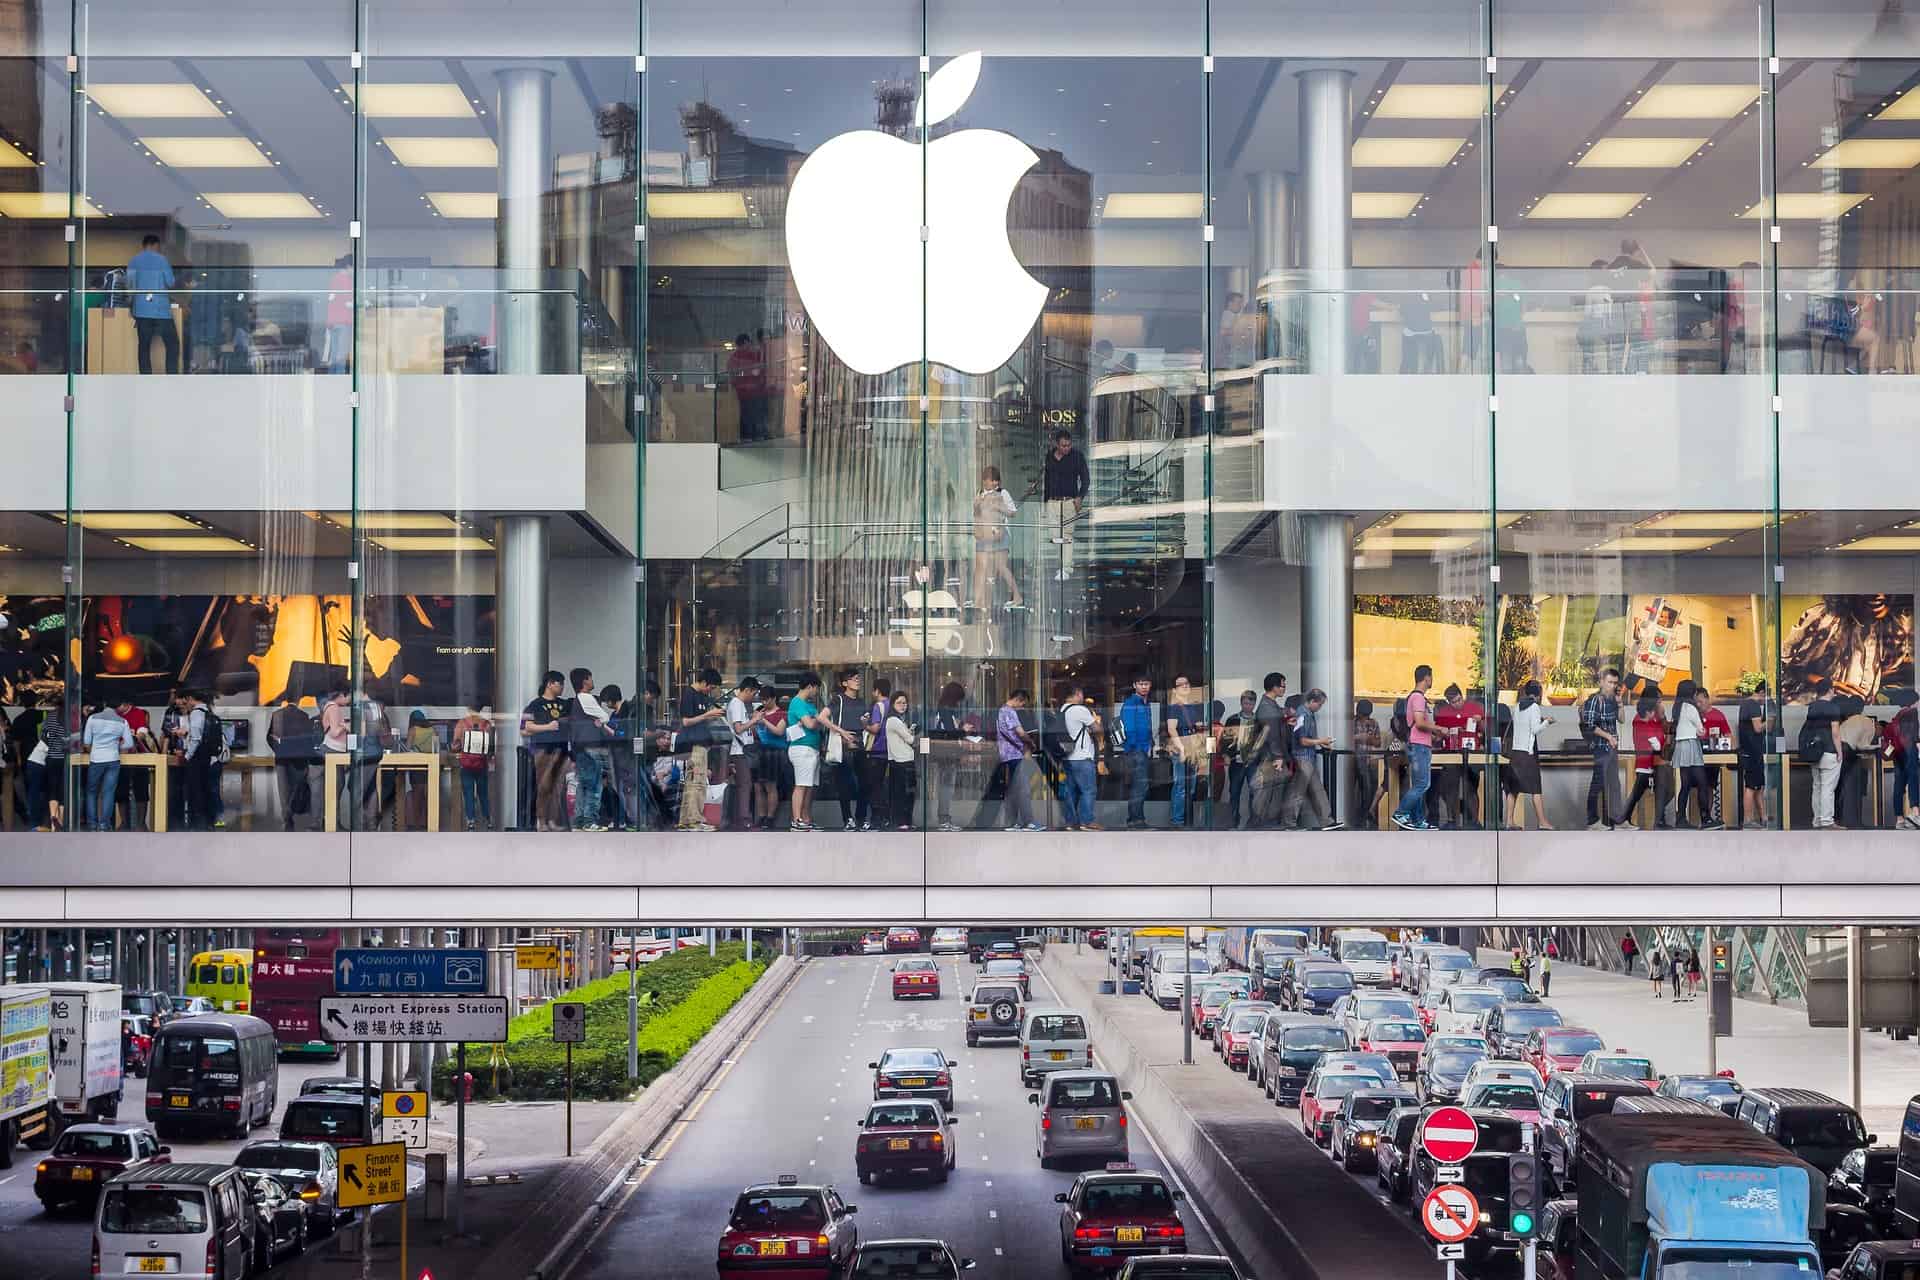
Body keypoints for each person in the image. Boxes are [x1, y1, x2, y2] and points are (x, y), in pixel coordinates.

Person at [1281, 688, 1341, 830]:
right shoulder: (1303, 715)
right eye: (1319, 704)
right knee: (1298, 792)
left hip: (1308, 757)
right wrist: (1321, 741)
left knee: (1318, 791)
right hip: (1303, 758)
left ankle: (1327, 821)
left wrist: (1320, 743)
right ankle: (1289, 823)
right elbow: (1302, 740)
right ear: (1312, 701)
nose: (1320, 707)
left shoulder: (1307, 714)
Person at [675, 668, 724, 833]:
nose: (710, 690)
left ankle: (687, 820)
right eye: (710, 687)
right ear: (703, 682)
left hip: (701, 743)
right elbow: (686, 721)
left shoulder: (702, 696)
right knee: (696, 782)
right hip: (693, 744)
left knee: (695, 782)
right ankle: (693, 820)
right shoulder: (689, 694)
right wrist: (707, 715)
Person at [521, 671, 571, 832]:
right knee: (544, 785)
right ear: (549, 684)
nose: (562, 687)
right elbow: (525, 728)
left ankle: (552, 820)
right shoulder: (534, 705)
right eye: (560, 683)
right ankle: (541, 820)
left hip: (562, 750)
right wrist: (548, 727)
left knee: (558, 787)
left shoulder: (565, 704)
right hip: (542, 750)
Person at [1391, 665, 1438, 832]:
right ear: (1426, 678)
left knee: (1419, 784)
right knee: (1423, 784)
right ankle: (1400, 812)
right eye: (1431, 677)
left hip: (1419, 744)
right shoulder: (1418, 697)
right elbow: (1419, 722)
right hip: (1419, 746)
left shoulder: (1414, 697)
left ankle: (1418, 820)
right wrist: (1438, 728)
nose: (1432, 680)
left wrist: (1433, 735)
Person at [968, 467, 1022, 611]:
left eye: (994, 480)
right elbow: (976, 515)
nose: (991, 483)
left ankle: (1017, 596)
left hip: (999, 534)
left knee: (1001, 567)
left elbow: (1012, 512)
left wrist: (998, 506)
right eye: (989, 480)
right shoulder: (979, 493)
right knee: (980, 568)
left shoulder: (1002, 493)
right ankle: (978, 601)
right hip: (983, 535)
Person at [1039, 429, 1089, 582]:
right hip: (1052, 501)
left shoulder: (1077, 456)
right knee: (1054, 535)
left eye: (1068, 445)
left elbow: (1086, 479)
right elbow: (1046, 479)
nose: (1066, 448)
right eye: (1063, 445)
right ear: (1057, 444)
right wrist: (1045, 501)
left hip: (1069, 501)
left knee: (1067, 535)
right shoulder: (1049, 456)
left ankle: (1066, 568)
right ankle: (1063, 563)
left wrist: (1080, 497)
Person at [785, 673, 832, 832]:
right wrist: (819, 719)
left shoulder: (809, 705)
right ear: (810, 686)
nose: (817, 692)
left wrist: (817, 720)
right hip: (802, 748)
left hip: (812, 749)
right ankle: (796, 820)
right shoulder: (797, 702)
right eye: (816, 688)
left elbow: (817, 722)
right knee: (801, 785)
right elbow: (811, 724)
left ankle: (806, 819)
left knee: (810, 787)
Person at [1619, 693, 1672, 829]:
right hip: (1645, 766)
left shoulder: (1646, 722)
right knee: (1636, 795)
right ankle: (1622, 819)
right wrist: (1663, 742)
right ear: (1648, 711)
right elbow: (1657, 745)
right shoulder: (1642, 723)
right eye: (1653, 711)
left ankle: (1624, 819)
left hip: (1648, 765)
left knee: (1640, 794)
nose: (1654, 713)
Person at [128, 234, 179, 375]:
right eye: (158, 246)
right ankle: (172, 377)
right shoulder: (162, 260)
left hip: (141, 311)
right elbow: (170, 282)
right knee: (172, 344)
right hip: (161, 311)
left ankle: (146, 379)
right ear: (155, 245)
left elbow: (130, 286)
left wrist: (131, 307)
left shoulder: (133, 261)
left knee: (144, 347)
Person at [570, 667, 613, 832]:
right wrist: (599, 720)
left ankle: (579, 821)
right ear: (585, 681)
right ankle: (589, 821)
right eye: (590, 678)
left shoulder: (577, 701)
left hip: (580, 747)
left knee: (584, 785)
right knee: (594, 785)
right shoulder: (586, 698)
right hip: (591, 747)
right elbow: (605, 717)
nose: (592, 681)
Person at [267, 695, 318, 832]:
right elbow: (307, 740)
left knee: (283, 791)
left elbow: (269, 738)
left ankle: (287, 820)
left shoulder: (276, 715)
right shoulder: (304, 716)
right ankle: (296, 815)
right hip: (299, 760)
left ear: (286, 700)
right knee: (295, 789)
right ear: (299, 701)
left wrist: (279, 749)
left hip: (281, 758)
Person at [1581, 668, 1624, 831]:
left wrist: (1620, 703)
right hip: (1600, 748)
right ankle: (1592, 820)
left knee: (1614, 784)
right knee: (1597, 784)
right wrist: (1608, 737)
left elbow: (1622, 719)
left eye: (1615, 683)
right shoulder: (1595, 700)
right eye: (1609, 682)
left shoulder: (1613, 700)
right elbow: (1590, 725)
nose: (1612, 686)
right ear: (1601, 682)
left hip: (1612, 748)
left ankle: (1617, 819)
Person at [828, 669, 871, 831]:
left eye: (858, 678)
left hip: (859, 743)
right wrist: (842, 732)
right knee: (844, 784)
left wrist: (865, 722)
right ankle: (848, 819)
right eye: (853, 679)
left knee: (865, 783)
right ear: (844, 683)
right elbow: (822, 717)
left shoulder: (861, 701)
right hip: (843, 745)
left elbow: (865, 725)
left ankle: (861, 818)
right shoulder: (838, 699)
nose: (857, 681)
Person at [995, 690, 1044, 832]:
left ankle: (1011, 823)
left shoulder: (1001, 711)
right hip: (1015, 754)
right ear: (1018, 699)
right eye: (1022, 703)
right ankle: (1029, 822)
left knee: (1013, 790)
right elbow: (1020, 732)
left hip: (1006, 755)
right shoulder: (1009, 711)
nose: (1022, 706)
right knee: (1023, 789)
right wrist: (1031, 742)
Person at [80, 700, 133, 831]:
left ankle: (92, 824)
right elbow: (129, 744)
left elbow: (86, 741)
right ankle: (104, 824)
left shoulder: (92, 718)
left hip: (96, 758)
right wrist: (117, 745)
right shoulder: (122, 721)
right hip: (113, 759)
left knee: (91, 792)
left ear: (104, 704)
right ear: (118, 706)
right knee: (108, 792)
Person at [1671, 685, 1719, 830]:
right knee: (1702, 783)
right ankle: (1705, 819)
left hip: (1681, 745)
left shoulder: (1678, 708)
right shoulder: (1691, 708)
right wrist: (1702, 730)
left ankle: (1680, 819)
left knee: (1685, 785)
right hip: (1691, 744)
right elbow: (1700, 730)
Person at [1506, 681, 1552, 830]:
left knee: (1513, 788)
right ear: (1538, 694)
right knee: (1536, 788)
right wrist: (1547, 722)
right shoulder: (1534, 707)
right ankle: (1542, 822)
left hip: (1515, 753)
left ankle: (1509, 821)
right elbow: (1535, 730)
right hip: (1528, 753)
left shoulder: (1517, 706)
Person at [724, 676, 764, 833]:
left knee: (743, 784)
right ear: (747, 690)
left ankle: (740, 819)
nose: (753, 697)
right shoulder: (737, 704)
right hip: (740, 751)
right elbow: (739, 729)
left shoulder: (738, 704)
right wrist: (754, 720)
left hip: (742, 750)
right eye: (753, 693)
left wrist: (753, 720)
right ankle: (744, 820)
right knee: (745, 785)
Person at [176, 690, 219, 832]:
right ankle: (208, 824)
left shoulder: (196, 713)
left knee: (195, 792)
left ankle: (197, 825)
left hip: (197, 758)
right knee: (206, 790)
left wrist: (187, 756)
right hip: (207, 757)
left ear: (190, 699)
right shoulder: (209, 713)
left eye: (185, 700)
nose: (184, 704)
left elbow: (196, 738)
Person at [1164, 674, 1203, 828]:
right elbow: (1171, 729)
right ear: (1174, 690)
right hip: (1181, 747)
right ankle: (1178, 821)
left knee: (1190, 787)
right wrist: (1180, 748)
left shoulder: (1192, 707)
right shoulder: (1174, 707)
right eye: (1180, 684)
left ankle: (1186, 819)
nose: (1185, 686)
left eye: (1186, 683)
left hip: (1193, 748)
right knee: (1180, 785)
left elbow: (1197, 728)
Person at [1060, 683, 1100, 832]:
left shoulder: (1062, 709)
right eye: (1081, 694)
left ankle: (1070, 822)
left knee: (1070, 791)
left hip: (1067, 757)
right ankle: (1086, 821)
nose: (1082, 697)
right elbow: (1097, 729)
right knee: (1088, 790)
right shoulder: (1079, 709)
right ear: (1077, 693)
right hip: (1082, 756)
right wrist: (1096, 721)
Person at [1117, 674, 1155, 830]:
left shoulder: (1146, 704)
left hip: (1143, 750)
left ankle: (1135, 819)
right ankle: (1136, 820)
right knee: (1140, 786)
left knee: (1140, 786)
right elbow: (1129, 728)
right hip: (1136, 750)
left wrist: (1150, 745)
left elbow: (1148, 727)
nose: (1144, 687)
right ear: (1134, 685)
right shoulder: (1131, 703)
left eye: (1146, 684)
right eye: (1141, 684)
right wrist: (1134, 748)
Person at [930, 682, 968, 833]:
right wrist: (963, 730)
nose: (959, 703)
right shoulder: (946, 711)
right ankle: (944, 819)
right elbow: (950, 733)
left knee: (946, 787)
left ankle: (944, 818)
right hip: (947, 754)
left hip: (945, 753)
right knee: (946, 787)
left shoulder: (942, 709)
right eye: (958, 699)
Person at [448, 702, 493, 831]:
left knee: (468, 793)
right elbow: (490, 745)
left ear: (468, 709)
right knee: (483, 793)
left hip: (466, 764)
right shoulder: (487, 724)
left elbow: (455, 746)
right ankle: (488, 820)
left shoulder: (462, 723)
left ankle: (471, 821)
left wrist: (456, 747)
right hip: (482, 764)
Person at [1801, 694, 1841, 830]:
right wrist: (1840, 751)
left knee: (1817, 786)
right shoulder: (1833, 708)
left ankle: (1817, 820)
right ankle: (1826, 820)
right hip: (1829, 751)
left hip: (1815, 752)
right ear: (1830, 690)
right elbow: (1835, 733)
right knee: (1827, 788)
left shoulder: (1812, 707)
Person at [1836, 695, 1876, 829]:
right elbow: (1863, 745)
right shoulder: (1866, 721)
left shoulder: (1845, 722)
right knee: (1853, 790)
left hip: (1838, 756)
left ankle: (1840, 820)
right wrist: (1876, 747)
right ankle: (1854, 821)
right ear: (1862, 707)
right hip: (1850, 757)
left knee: (1840, 790)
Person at [1737, 679, 1772, 829]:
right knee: (1751, 786)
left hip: (1749, 750)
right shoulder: (1753, 705)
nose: (1765, 701)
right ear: (1762, 693)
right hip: (1752, 751)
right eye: (1766, 697)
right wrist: (1769, 720)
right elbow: (1758, 728)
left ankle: (1763, 816)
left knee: (1759, 785)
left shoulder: (1745, 704)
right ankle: (1748, 819)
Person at [884, 690, 916, 830]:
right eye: (899, 703)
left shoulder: (898, 720)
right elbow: (910, 739)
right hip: (901, 761)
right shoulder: (893, 720)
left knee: (905, 793)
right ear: (892, 704)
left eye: (905, 703)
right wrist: (916, 735)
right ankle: (902, 822)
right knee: (903, 793)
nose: (903, 705)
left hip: (902, 760)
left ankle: (905, 821)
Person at [866, 679, 894, 829]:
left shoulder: (878, 706)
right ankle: (888, 818)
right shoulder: (893, 705)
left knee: (875, 786)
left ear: (877, 691)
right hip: (891, 752)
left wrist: (864, 725)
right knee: (887, 785)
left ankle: (877, 819)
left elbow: (875, 729)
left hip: (877, 752)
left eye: (873, 690)